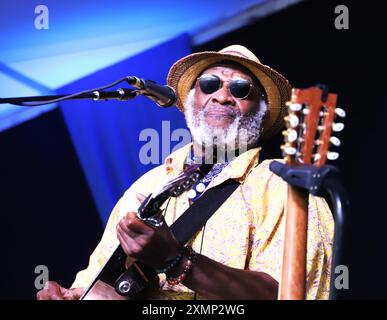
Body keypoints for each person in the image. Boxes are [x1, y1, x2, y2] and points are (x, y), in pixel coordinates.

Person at [37, 45, 333, 300]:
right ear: (190, 100)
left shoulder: (283, 188)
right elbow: (101, 283)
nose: (222, 96)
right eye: (209, 84)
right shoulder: (149, 185)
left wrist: (175, 260)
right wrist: (76, 294)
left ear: (261, 112)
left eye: (241, 89)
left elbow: (288, 292)